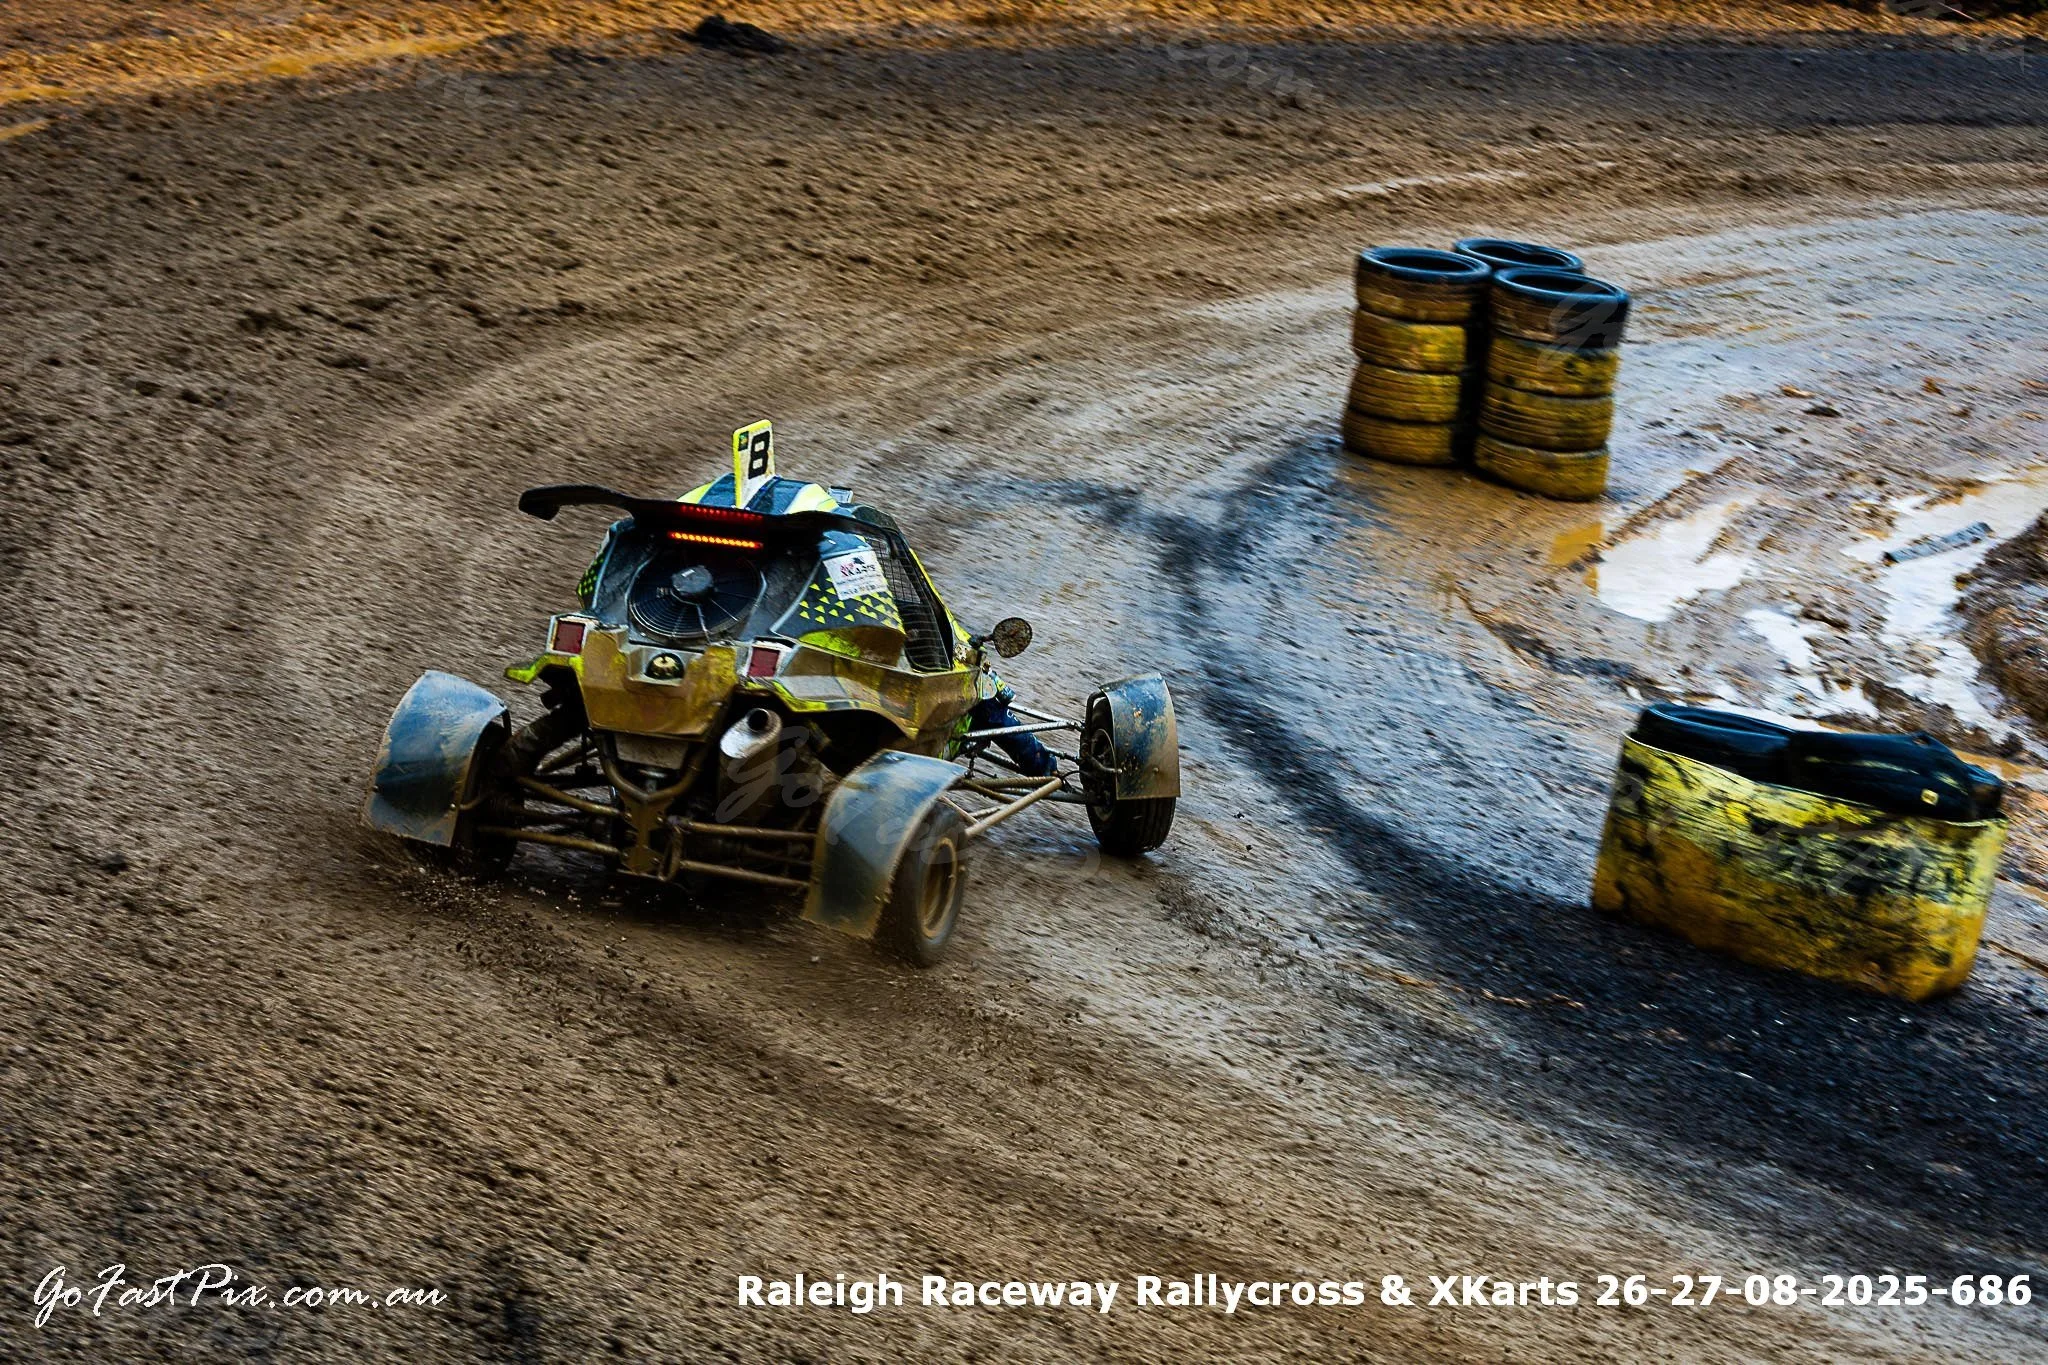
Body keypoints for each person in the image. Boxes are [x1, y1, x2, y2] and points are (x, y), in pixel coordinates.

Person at [966, 678, 1059, 777]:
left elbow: (984, 740)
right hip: (1031, 752)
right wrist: (974, 750)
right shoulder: (990, 701)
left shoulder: (983, 712)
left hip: (1031, 757)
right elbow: (985, 739)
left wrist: (973, 750)